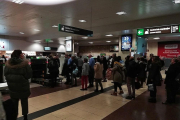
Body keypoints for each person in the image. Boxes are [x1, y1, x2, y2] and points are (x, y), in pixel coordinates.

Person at [4, 50, 32, 120]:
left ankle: (14, 117)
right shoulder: (25, 64)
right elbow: (29, 75)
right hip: (23, 87)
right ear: (19, 55)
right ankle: (25, 118)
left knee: (14, 104)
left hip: (12, 88)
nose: (23, 55)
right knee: (24, 103)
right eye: (22, 54)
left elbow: (5, 75)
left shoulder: (8, 64)